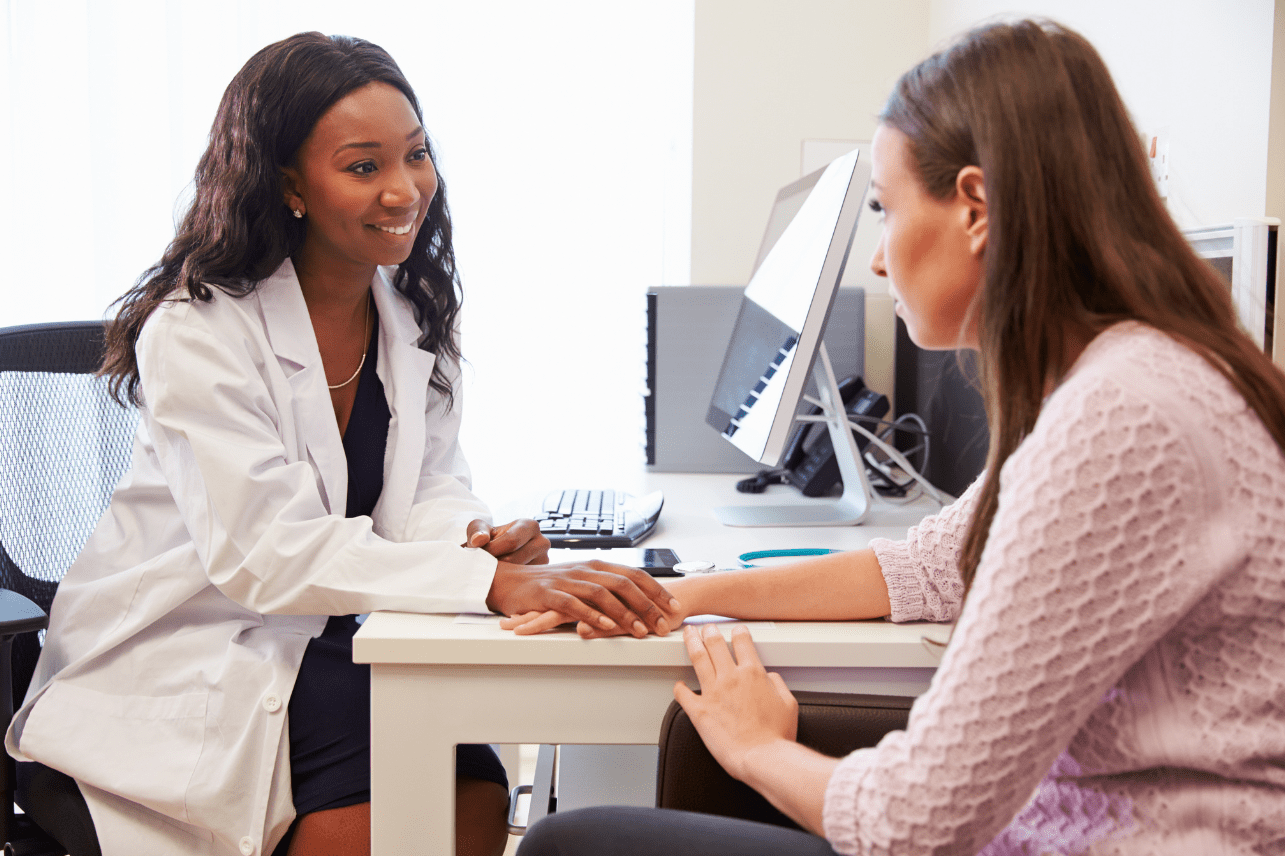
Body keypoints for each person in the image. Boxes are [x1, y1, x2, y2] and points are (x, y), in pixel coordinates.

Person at [508, 18, 1285, 855]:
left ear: (976, 209)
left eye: (884, 210)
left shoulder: (1121, 417)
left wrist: (758, 747)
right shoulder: (1130, 376)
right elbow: (929, 568)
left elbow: (913, 824)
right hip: (1060, 825)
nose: (877, 261)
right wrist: (690, 596)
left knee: (568, 843)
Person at [4, 32, 680, 856]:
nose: (405, 190)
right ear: (286, 183)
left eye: (416, 155)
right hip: (195, 646)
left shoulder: (413, 310)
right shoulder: (198, 328)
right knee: (413, 787)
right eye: (364, 167)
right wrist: (486, 582)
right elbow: (264, 555)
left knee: (467, 778)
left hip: (335, 635)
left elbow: (427, 485)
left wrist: (476, 540)